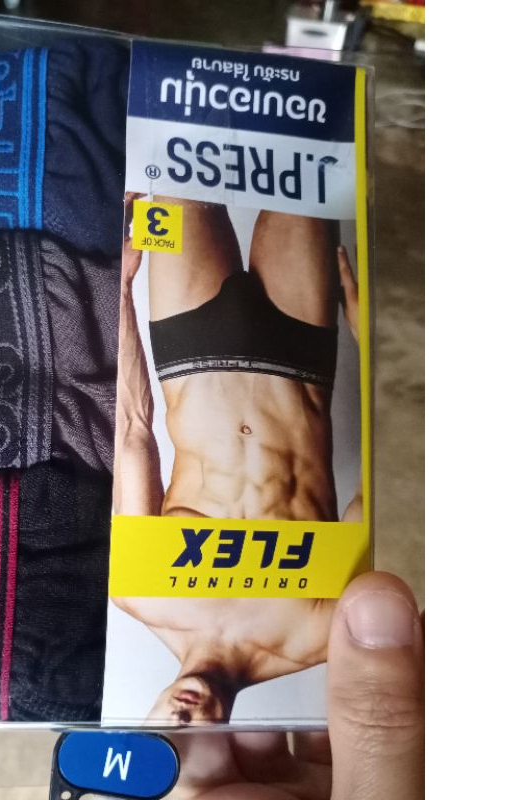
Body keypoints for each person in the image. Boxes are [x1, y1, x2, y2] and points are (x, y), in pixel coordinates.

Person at [112, 195, 365, 722]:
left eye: (165, 733)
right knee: (302, 168)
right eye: (192, 739)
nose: (182, 721)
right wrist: (372, 346)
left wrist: (118, 290)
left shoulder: (138, 591)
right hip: (299, 350)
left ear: (146, 719)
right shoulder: (318, 636)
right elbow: (377, 495)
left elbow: (133, 430)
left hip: (190, 344)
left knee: (178, 169)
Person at [166, 570, 425, 800]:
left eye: (170, 727)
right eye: (185, 726)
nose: (181, 715)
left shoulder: (149, 605)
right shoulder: (310, 643)